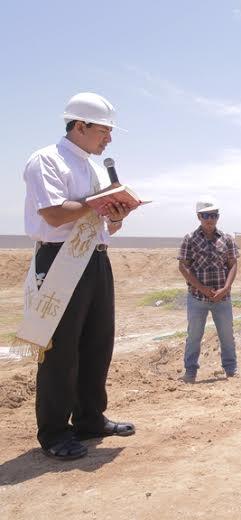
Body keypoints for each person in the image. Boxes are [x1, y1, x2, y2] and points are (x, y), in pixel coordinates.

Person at [21, 92, 135, 461]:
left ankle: (90, 419)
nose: (109, 139)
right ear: (79, 125)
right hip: (59, 261)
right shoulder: (47, 160)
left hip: (96, 260)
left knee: (97, 343)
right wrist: (95, 203)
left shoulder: (96, 168)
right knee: (60, 351)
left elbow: (105, 227)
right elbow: (53, 214)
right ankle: (55, 432)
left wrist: (117, 213)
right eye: (104, 130)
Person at [177, 197, 240, 382]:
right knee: (194, 336)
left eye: (213, 215)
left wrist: (226, 288)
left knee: (227, 335)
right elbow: (184, 267)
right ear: (199, 217)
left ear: (218, 217)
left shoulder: (227, 239)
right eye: (206, 216)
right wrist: (202, 288)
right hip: (197, 298)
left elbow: (233, 264)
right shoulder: (190, 239)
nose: (210, 219)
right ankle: (190, 371)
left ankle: (231, 369)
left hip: (223, 298)